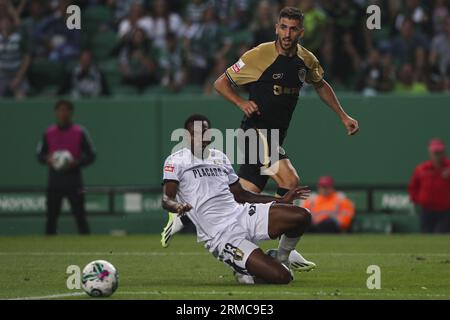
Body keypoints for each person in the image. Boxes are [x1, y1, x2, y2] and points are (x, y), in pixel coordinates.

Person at [161, 7, 358, 266]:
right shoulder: (259, 55)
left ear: (301, 31)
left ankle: (184, 217)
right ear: (276, 28)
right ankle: (284, 253)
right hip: (256, 132)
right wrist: (241, 103)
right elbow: (220, 83)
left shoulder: (305, 59)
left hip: (276, 135)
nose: (287, 34)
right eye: (283, 27)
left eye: (293, 28)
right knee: (290, 178)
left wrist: (343, 116)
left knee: (242, 193)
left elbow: (320, 84)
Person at [161, 114, 312, 284]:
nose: (201, 137)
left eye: (204, 132)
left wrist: (282, 201)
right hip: (221, 234)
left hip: (241, 214)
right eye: (195, 133)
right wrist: (177, 206)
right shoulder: (176, 160)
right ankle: (245, 270)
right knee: (283, 277)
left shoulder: (220, 157)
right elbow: (167, 199)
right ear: (187, 136)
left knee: (302, 215)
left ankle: (281, 257)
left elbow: (242, 195)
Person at [36, 100, 96, 235]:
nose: (63, 113)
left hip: (74, 179)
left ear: (71, 112)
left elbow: (91, 155)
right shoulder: (49, 132)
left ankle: (87, 244)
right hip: (55, 180)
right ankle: (48, 246)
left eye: (66, 110)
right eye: (60, 110)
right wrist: (48, 159)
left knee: (80, 215)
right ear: (56, 113)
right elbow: (39, 155)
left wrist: (76, 162)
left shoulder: (80, 132)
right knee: (51, 216)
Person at [408, 139, 450, 233]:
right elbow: (413, 187)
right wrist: (416, 200)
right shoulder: (421, 169)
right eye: (435, 153)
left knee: (441, 237)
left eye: (439, 152)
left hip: (446, 211)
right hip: (427, 210)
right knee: (426, 236)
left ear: (443, 153)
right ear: (430, 153)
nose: (437, 155)